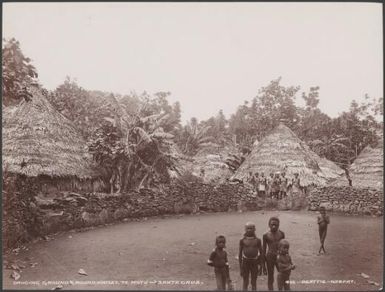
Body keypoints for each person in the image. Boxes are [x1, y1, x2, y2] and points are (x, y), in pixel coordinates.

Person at [239, 222, 263, 291]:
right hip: (245, 262)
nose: (249, 230)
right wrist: (241, 268)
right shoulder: (242, 240)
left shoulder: (258, 240)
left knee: (254, 281)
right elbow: (240, 254)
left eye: (251, 228)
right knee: (245, 281)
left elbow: (261, 253)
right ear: (245, 229)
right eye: (247, 228)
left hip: (254, 262)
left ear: (254, 229)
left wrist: (261, 267)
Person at [263, 217, 285, 291]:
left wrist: (286, 259)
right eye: (272, 224)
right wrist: (263, 265)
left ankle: (281, 289)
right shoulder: (265, 235)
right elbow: (263, 250)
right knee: (270, 276)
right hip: (270, 256)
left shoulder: (282, 234)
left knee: (282, 274)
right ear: (269, 225)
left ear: (278, 225)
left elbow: (284, 246)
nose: (274, 226)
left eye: (276, 225)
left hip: (280, 256)